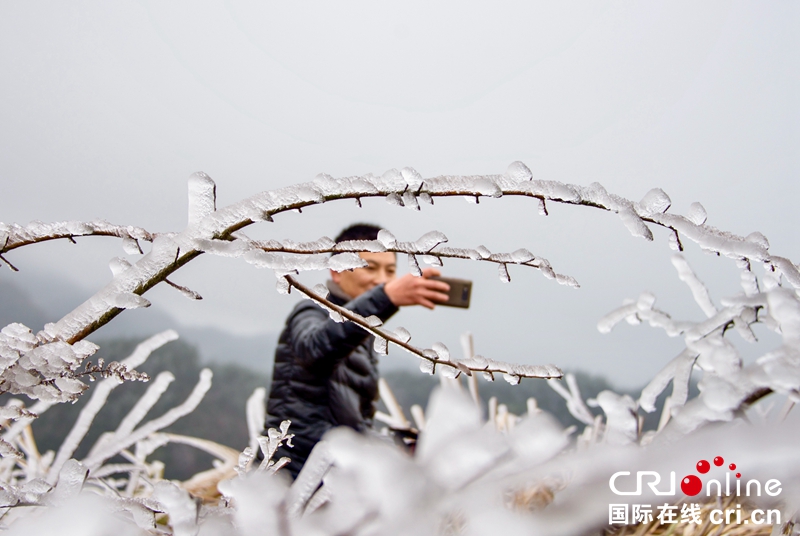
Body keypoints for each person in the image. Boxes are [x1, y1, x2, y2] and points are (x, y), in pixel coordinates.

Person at [263, 223, 450, 479]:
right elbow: (314, 348)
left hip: (334, 479)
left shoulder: (362, 333)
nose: (382, 279)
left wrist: (395, 446)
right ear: (337, 271)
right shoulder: (311, 312)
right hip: (295, 479)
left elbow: (353, 425)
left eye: (390, 271)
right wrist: (384, 299)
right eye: (370, 267)